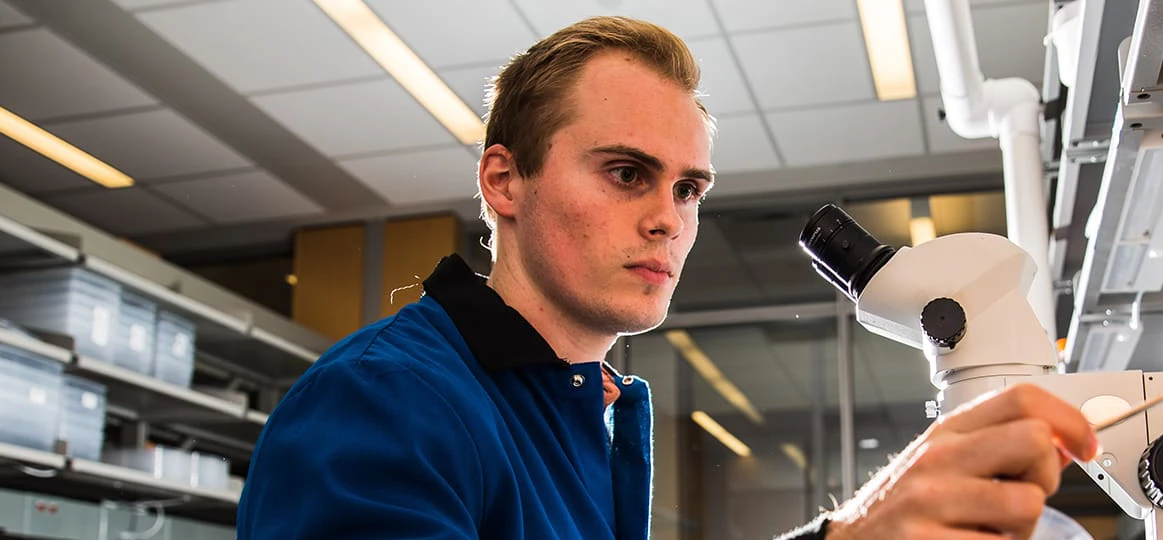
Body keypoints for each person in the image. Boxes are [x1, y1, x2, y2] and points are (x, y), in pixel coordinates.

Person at [236, 16, 1100, 539]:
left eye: (688, 188)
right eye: (624, 173)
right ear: (505, 181)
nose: (668, 219)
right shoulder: (384, 404)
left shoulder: (588, 408)